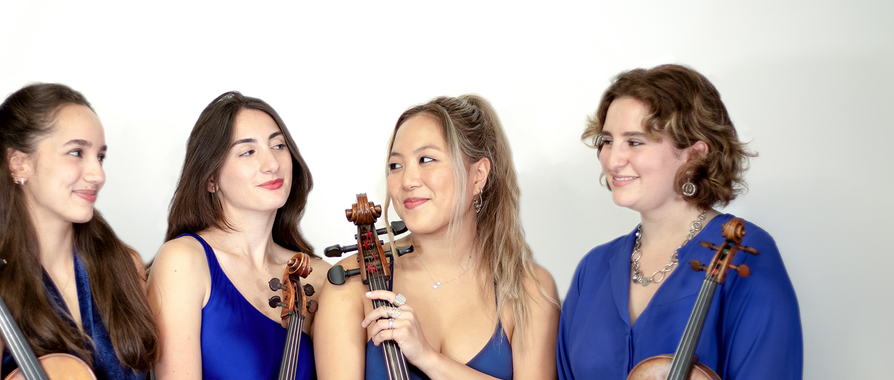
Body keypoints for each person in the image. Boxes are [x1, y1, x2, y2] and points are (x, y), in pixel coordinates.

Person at [556, 64, 803, 379]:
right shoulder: (593, 269)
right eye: (607, 140)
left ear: (695, 154)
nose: (612, 159)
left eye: (634, 142)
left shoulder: (746, 254)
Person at [314, 94, 561, 380]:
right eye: (396, 165)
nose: (407, 180)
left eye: (426, 159)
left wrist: (427, 357)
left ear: (478, 175)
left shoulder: (530, 288)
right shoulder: (350, 284)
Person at [0, 83, 158, 380]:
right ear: (19, 164)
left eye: (100, 157)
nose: (98, 175)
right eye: (76, 152)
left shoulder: (125, 266)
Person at [147, 91, 327, 380]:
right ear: (211, 178)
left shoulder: (318, 276)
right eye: (248, 152)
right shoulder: (184, 261)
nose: (272, 163)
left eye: (279, 146)